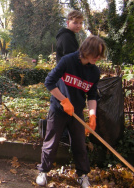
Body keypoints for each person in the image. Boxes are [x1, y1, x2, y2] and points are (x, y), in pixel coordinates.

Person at [36, 36, 106, 188]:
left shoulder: (94, 72)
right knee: (51, 142)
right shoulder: (68, 61)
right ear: (87, 50)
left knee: (80, 145)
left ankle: (82, 175)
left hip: (77, 112)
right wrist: (63, 100)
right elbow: (49, 82)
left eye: (100, 54)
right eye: (96, 54)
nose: (98, 57)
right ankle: (43, 171)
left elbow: (92, 95)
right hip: (59, 109)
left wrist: (92, 114)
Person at [56, 10, 84, 145]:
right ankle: (64, 135)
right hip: (66, 77)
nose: (78, 25)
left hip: (67, 76)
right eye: (75, 23)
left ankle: (65, 134)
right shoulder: (66, 37)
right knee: (67, 104)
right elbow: (70, 59)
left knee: (69, 104)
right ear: (68, 22)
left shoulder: (70, 36)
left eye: (80, 23)